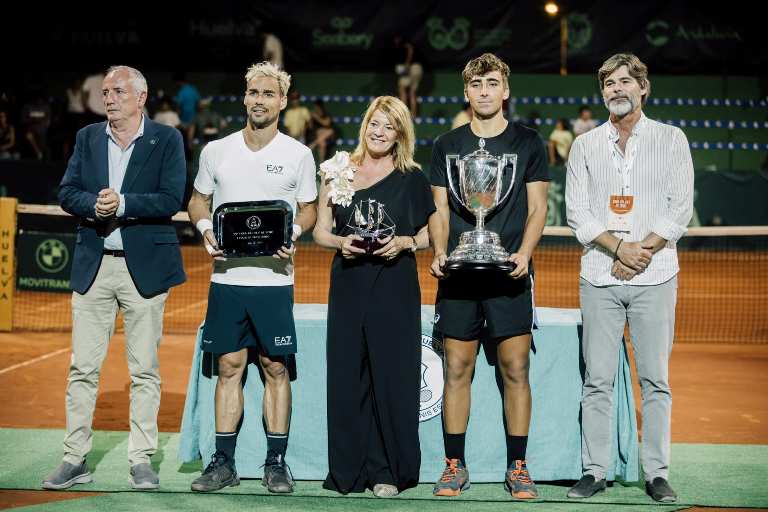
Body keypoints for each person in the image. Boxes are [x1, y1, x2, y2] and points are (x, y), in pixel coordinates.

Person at [42, 66, 187, 491]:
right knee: (82, 369)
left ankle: (141, 460)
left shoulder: (167, 139)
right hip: (94, 266)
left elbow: (170, 197)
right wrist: (94, 205)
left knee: (144, 371)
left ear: (140, 97)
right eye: (105, 92)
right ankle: (74, 458)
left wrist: (122, 203)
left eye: (118, 91)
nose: (109, 98)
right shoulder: (88, 137)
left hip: (143, 268)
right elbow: (67, 191)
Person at [565, 53, 694, 503]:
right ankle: (594, 471)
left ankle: (656, 473)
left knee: (655, 380)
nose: (616, 89)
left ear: (644, 87)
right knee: (597, 380)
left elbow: (679, 208)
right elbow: (577, 212)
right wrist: (620, 248)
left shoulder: (671, 139)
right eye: (608, 84)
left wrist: (641, 251)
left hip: (656, 276)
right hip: (599, 277)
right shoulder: (584, 145)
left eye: (625, 82)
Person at [187, 61, 318, 494]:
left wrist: (294, 234)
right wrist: (207, 232)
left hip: (275, 282)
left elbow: (309, 209)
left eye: (268, 93)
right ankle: (222, 462)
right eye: (253, 92)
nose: (259, 100)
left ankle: (275, 463)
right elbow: (198, 202)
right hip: (227, 280)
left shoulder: (298, 154)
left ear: (282, 101)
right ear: (244, 97)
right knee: (229, 366)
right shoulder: (216, 151)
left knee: (275, 367)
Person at [428, 53, 550, 500]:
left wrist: (525, 252)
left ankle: (518, 467)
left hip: (509, 272)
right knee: (456, 367)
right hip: (459, 274)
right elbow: (439, 208)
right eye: (477, 85)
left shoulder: (529, 142)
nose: (484, 91)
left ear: (506, 90)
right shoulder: (446, 144)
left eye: (492, 83)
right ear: (466, 92)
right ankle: (454, 466)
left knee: (516, 368)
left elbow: (537, 208)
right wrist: (440, 251)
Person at [313, 96, 434, 498]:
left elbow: (430, 234)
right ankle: (348, 470)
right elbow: (319, 231)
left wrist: (403, 242)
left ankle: (387, 470)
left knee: (392, 378)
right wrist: (339, 242)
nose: (379, 132)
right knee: (348, 376)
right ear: (364, 126)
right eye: (374, 124)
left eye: (389, 126)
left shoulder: (413, 177)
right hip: (347, 283)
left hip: (394, 285)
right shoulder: (336, 170)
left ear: (401, 133)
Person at [394, 35, 423, 116]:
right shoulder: (413, 45)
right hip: (419, 69)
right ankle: (413, 114)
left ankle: (403, 114)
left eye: (396, 39)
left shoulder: (406, 45)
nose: (395, 41)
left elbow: (410, 49)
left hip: (411, 68)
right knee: (412, 92)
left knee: (401, 89)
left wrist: (407, 63)